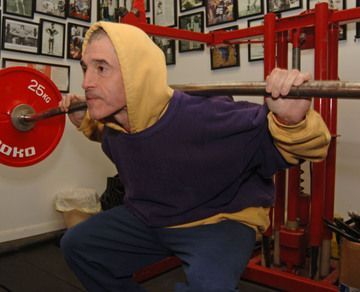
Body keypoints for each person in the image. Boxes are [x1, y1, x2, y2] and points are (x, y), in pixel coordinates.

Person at [59, 21, 331, 292]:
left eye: (101, 68)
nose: (86, 82)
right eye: (86, 67)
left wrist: (291, 121)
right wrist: (86, 121)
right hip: (153, 215)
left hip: (218, 218)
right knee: (78, 245)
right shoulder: (116, 125)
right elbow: (123, 141)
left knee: (209, 287)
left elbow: (305, 148)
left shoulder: (206, 116)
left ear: (135, 74)